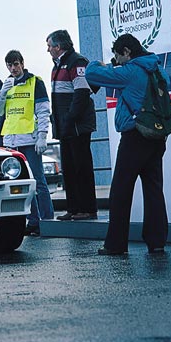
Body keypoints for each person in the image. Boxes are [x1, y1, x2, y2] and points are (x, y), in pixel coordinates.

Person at [85, 34, 169, 255]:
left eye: (117, 55)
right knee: (153, 190)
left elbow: (92, 73)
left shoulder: (131, 71)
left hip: (134, 136)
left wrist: (100, 63)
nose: (117, 60)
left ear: (126, 51)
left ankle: (115, 244)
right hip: (156, 136)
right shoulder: (156, 69)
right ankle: (157, 241)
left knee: (121, 192)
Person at [0, 50, 55, 235]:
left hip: (30, 139)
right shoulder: (7, 84)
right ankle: (33, 222)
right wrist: (3, 91)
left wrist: (42, 135)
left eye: (16, 64)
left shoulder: (35, 81)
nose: (13, 68)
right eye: (10, 65)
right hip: (11, 140)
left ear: (22, 63)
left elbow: (43, 111)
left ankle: (48, 219)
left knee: (38, 181)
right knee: (23, 185)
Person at [46, 29, 98, 221]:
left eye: (50, 46)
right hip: (65, 126)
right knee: (68, 167)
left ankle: (88, 208)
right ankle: (74, 208)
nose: (48, 50)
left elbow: (82, 93)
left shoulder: (77, 62)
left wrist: (70, 118)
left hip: (77, 125)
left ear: (58, 47)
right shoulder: (57, 66)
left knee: (82, 167)